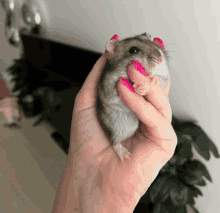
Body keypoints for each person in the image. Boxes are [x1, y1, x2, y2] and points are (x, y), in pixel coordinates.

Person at [51, 34, 178, 213]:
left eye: (152, 46)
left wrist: (152, 83)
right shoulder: (112, 76)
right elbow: (110, 97)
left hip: (134, 124)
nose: (155, 54)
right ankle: (117, 144)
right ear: (115, 53)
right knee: (119, 127)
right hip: (116, 119)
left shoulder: (150, 66)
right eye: (134, 50)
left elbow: (161, 74)